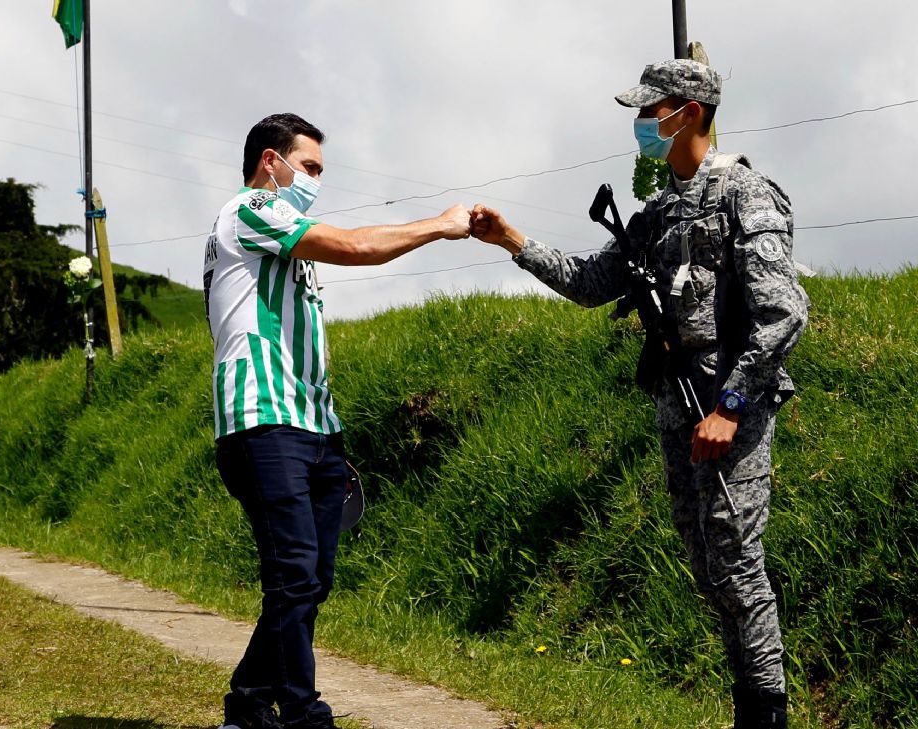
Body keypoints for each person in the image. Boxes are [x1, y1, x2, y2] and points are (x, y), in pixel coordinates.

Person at [469, 60, 807, 729]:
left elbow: (783, 313)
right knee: (708, 563)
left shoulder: (747, 193)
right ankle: (748, 704)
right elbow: (593, 281)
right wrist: (512, 241)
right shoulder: (655, 214)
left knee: (738, 562)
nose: (643, 123)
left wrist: (732, 406)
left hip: (731, 407)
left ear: (688, 112)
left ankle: (767, 714)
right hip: (679, 407)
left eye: (652, 111)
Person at [205, 112, 470, 729]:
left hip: (315, 427)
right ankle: (303, 713)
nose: (316, 180)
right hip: (262, 421)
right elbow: (357, 247)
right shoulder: (249, 211)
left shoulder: (283, 236)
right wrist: (441, 224)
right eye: (310, 166)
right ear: (272, 162)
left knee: (312, 578)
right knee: (294, 573)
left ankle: (247, 704)